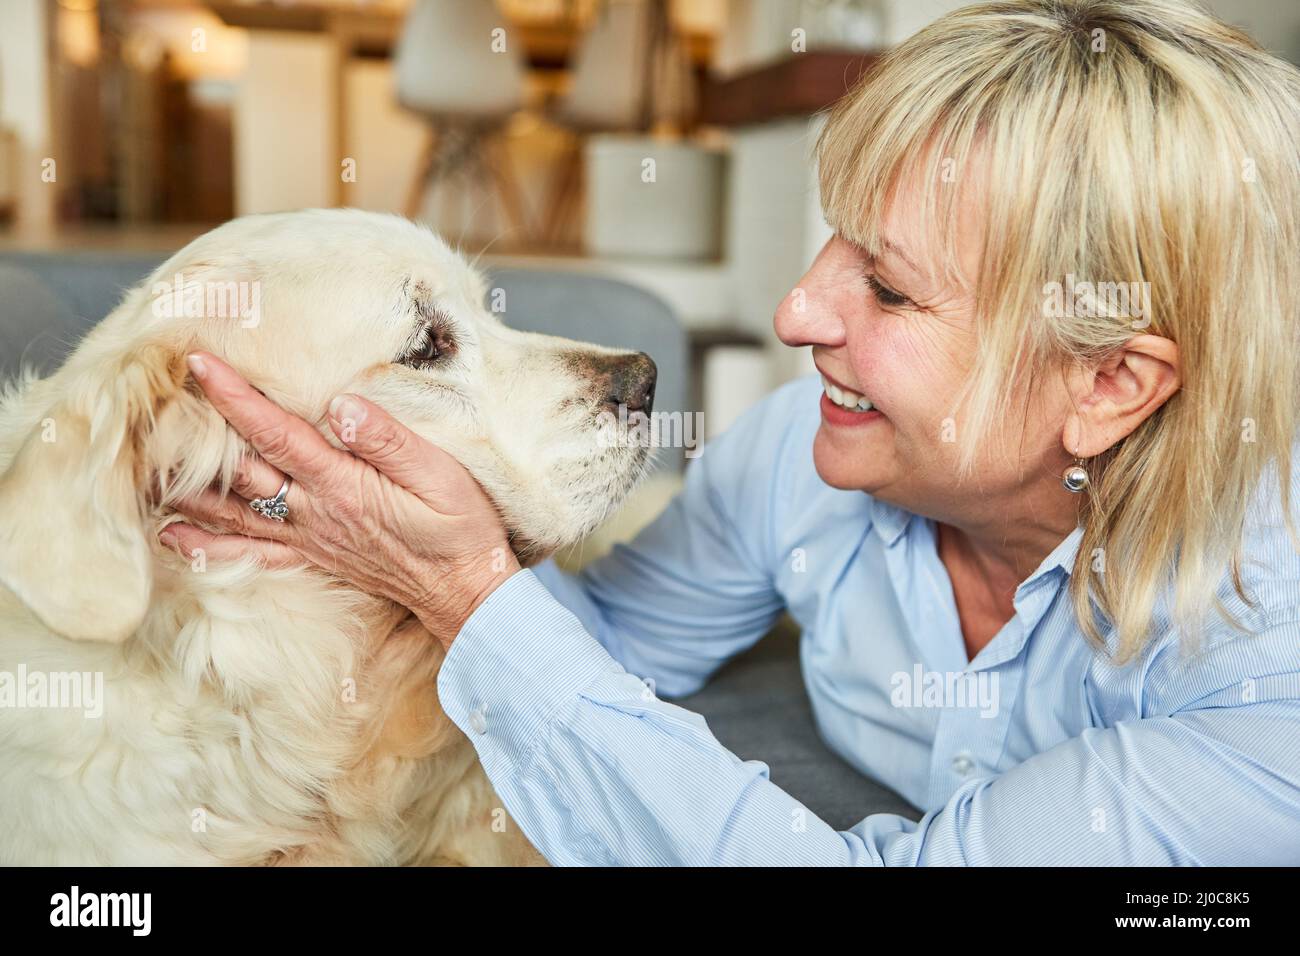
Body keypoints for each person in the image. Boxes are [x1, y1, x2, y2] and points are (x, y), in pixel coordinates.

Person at [162, 0, 1300, 864]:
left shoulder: (1265, 664)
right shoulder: (802, 456)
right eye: (834, 246)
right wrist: (390, 517)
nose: (795, 313)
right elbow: (608, 646)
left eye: (890, 293)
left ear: (1107, 383)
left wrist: (465, 587)